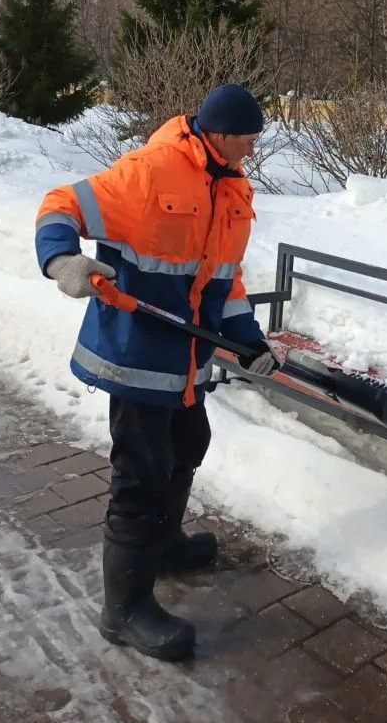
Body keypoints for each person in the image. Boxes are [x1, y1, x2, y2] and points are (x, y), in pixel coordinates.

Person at [35, 84, 282, 662]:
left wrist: (248, 340)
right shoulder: (149, 172)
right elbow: (60, 204)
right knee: (140, 477)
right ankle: (123, 611)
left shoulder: (234, 188)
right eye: (248, 138)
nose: (253, 148)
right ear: (219, 133)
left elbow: (225, 280)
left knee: (189, 443)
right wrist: (62, 259)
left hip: (187, 359)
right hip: (138, 355)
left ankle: (165, 544)